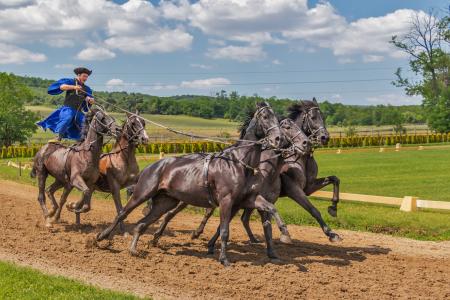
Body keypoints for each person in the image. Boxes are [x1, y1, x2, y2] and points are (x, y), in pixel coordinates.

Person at [37, 67, 95, 143]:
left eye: (87, 77)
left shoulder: (87, 89)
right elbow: (62, 87)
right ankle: (58, 137)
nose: (85, 78)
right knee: (67, 118)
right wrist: (74, 87)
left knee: (87, 123)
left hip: (79, 112)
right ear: (78, 75)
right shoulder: (70, 81)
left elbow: (90, 99)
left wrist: (90, 100)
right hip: (68, 108)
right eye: (84, 76)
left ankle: (85, 141)